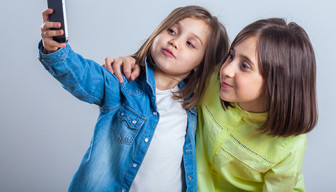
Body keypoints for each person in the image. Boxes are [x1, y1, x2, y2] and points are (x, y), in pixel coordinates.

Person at [105, 18, 318, 191]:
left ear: (277, 84)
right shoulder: (212, 81)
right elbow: (170, 69)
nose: (226, 70)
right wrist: (135, 61)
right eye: (231, 56)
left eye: (244, 66)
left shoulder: (290, 146)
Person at [38, 5, 229, 192]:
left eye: (190, 44)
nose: (175, 42)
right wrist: (56, 50)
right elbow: (85, 76)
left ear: (201, 64)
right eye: (171, 31)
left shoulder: (195, 105)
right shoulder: (122, 82)